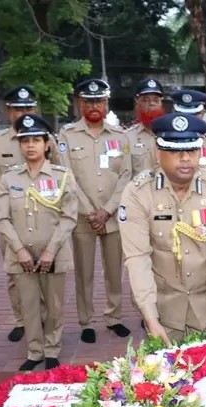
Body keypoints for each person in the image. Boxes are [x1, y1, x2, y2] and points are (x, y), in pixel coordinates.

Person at [119, 113, 206, 343]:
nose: (185, 158)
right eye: (175, 152)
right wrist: (150, 318)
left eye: (192, 150)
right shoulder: (138, 193)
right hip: (163, 309)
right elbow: (138, 259)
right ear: (159, 153)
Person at [0, 114, 78, 371]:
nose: (30, 145)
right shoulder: (9, 178)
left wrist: (51, 250)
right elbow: (2, 218)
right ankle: (34, 350)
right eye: (25, 140)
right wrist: (19, 250)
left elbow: (69, 216)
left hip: (54, 252)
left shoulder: (62, 176)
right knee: (29, 305)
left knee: (54, 305)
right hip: (21, 255)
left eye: (36, 140)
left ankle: (52, 348)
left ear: (47, 144)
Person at [58, 78, 132, 342]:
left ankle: (114, 317)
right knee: (84, 271)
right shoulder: (67, 136)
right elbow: (67, 176)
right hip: (83, 217)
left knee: (115, 271)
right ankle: (86, 320)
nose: (94, 106)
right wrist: (91, 211)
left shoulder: (120, 137)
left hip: (111, 217)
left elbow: (126, 175)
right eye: (88, 101)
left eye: (99, 101)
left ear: (106, 103)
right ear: (79, 103)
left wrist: (108, 210)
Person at [0, 85, 41, 342]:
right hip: (10, 219)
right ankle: (21, 319)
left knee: (45, 270)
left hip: (43, 216)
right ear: (8, 111)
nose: (23, 113)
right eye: (18, 108)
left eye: (28, 108)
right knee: (14, 271)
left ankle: (43, 317)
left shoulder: (44, 139)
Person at [125, 77, 164, 175]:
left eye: (156, 100)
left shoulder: (172, 134)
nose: (151, 103)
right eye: (146, 100)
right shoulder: (127, 137)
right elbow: (125, 173)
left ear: (161, 103)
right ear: (137, 102)